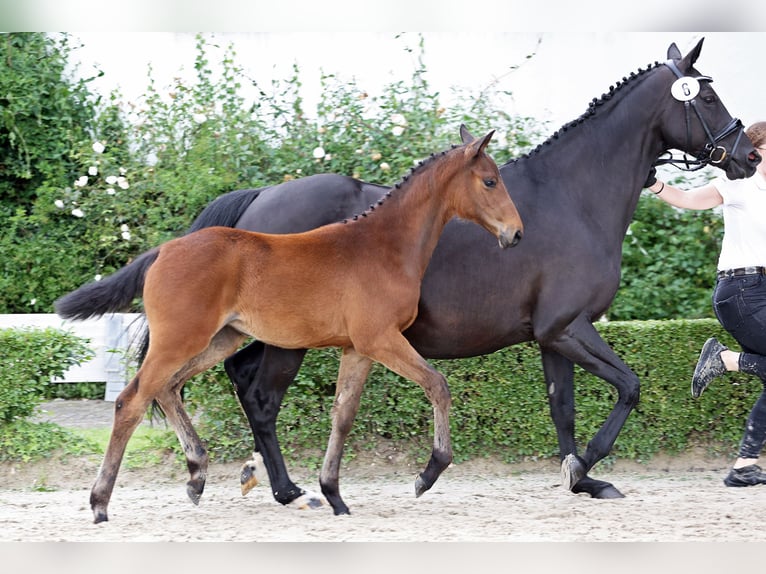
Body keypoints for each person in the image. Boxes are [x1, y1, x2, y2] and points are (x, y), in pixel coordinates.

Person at [643, 121, 766, 487]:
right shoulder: (739, 184)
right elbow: (688, 200)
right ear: (756, 151)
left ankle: (744, 466)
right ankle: (724, 360)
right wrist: (651, 181)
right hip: (740, 289)